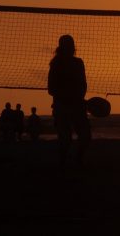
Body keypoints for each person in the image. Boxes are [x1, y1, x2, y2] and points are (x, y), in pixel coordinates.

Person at [48, 34, 91, 167]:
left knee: (84, 136)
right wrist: (70, 97)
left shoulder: (78, 63)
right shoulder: (55, 65)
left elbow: (84, 85)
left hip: (75, 105)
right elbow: (51, 89)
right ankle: (65, 162)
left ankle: (77, 159)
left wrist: (79, 99)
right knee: (66, 139)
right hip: (63, 106)